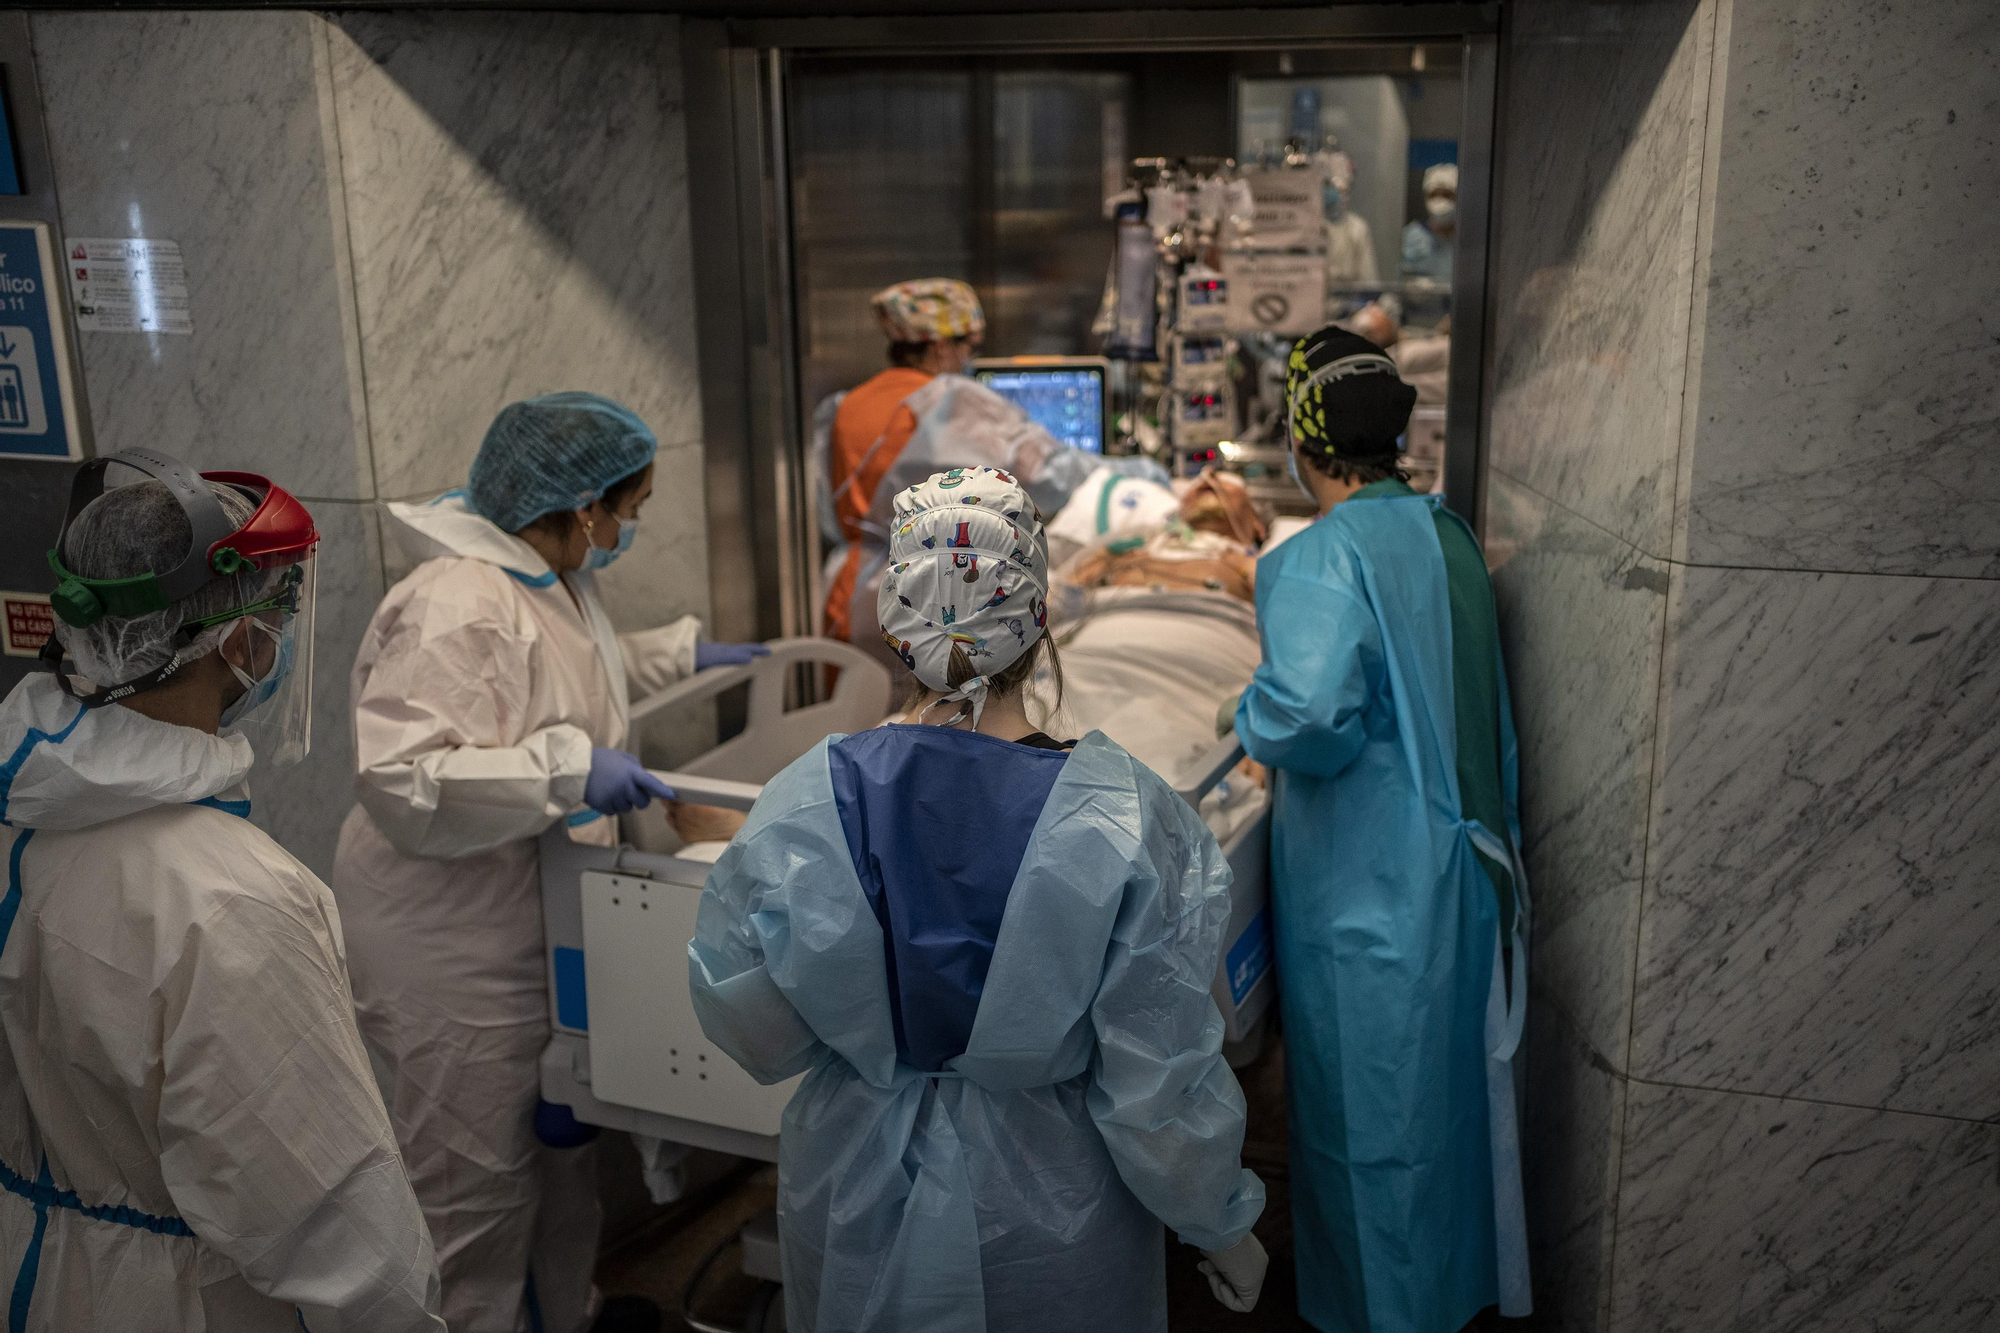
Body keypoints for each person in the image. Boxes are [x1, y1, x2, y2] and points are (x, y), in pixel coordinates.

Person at [691, 466, 1269, 1333]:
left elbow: (752, 1024)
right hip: (1054, 1207)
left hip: (855, 1185)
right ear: (1040, 621)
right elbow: (1158, 1074)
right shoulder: (1122, 815)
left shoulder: (802, 804)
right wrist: (1220, 1223)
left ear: (897, 623)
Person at [331, 393, 766, 1333]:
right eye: (629, 508)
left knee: (558, 1149)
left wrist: (680, 654)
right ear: (581, 506)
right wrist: (567, 772)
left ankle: (569, 1313)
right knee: (471, 1176)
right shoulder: (452, 604)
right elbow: (403, 778)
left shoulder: (544, 573)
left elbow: (563, 670)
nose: (629, 528)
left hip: (529, 914)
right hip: (447, 942)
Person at [0, 450, 444, 1331]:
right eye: (277, 614)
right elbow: (344, 1235)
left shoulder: (22, 812)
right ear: (240, 642)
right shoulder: (231, 901)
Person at [1234, 326, 1529, 1333]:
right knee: (1442, 1123)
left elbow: (1309, 716)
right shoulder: (1446, 534)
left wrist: (1248, 715)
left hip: (1374, 902)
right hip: (1465, 878)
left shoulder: (1319, 558)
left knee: (1372, 1132)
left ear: (1302, 440)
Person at [814, 278, 1163, 663]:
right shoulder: (946, 401)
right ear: (942, 347)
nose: (969, 360)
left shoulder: (845, 406)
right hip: (926, 601)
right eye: (970, 347)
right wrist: (1146, 474)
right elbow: (1050, 476)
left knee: (864, 700)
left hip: (849, 597)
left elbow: (829, 517)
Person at [1402, 162, 1459, 283]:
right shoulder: (1413, 236)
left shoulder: (1467, 241)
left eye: (1447, 195)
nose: (1440, 201)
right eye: (1433, 195)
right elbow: (1401, 277)